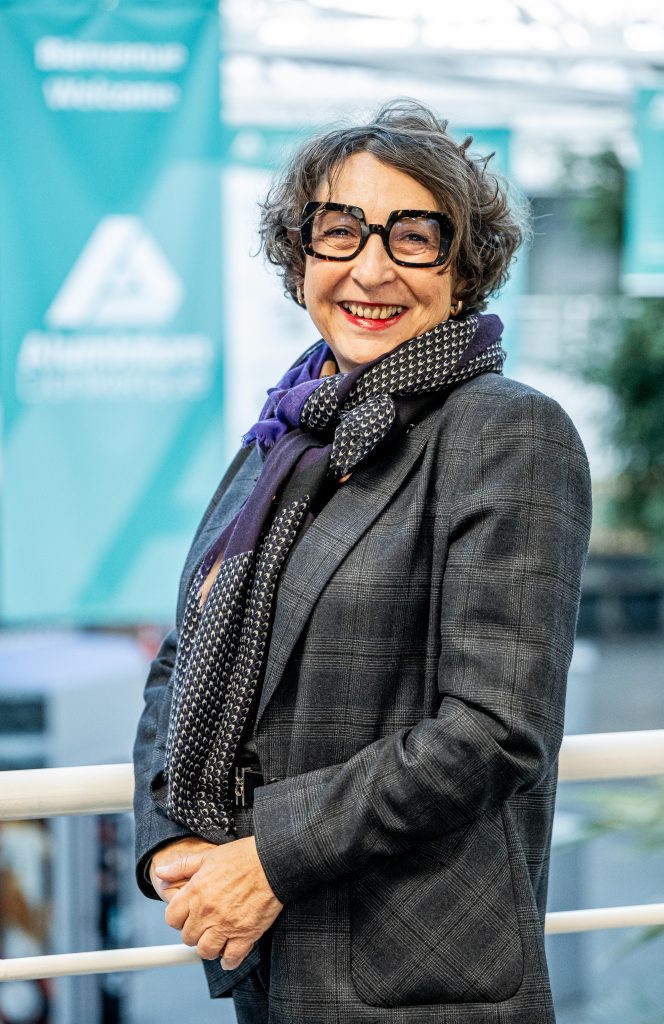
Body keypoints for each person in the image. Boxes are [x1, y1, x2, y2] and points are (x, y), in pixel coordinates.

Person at [132, 98, 592, 1024]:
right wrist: (170, 832)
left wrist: (269, 857)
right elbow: (187, 653)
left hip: (416, 981)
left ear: (463, 269)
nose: (370, 269)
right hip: (271, 965)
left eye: (413, 237)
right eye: (339, 231)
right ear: (299, 255)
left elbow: (494, 729)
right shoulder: (283, 435)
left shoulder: (506, 432)